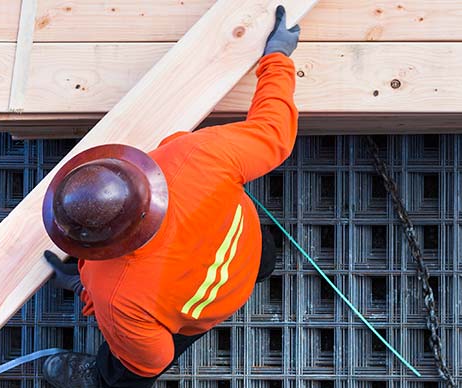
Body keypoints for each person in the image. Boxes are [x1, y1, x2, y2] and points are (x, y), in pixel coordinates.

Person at [36, 6, 300, 388]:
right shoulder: (193, 156)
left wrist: (91, 293)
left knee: (128, 371)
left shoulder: (116, 293)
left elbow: (153, 358)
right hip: (249, 255)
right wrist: (276, 59)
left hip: (201, 312)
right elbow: (274, 131)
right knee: (262, 254)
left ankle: (99, 379)